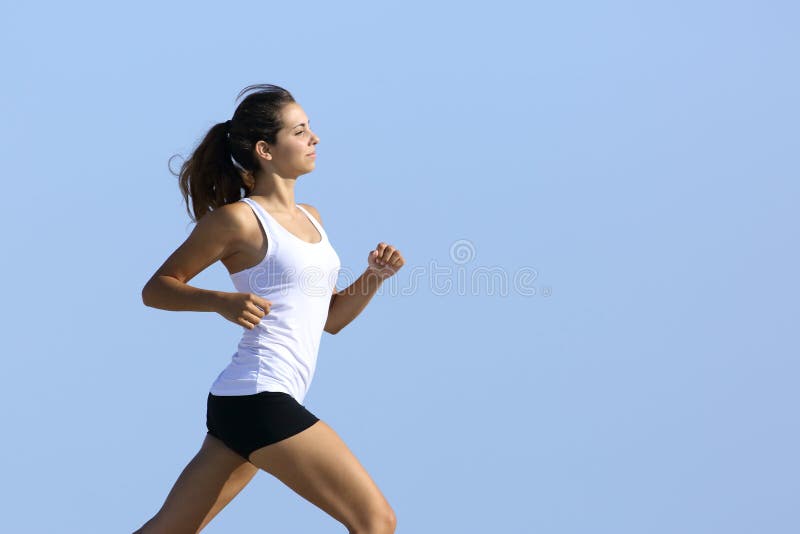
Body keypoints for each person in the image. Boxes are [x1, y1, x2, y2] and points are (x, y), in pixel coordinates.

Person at [134, 84, 403, 533]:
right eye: (300, 131)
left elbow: (330, 320)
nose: (314, 138)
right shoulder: (239, 219)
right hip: (259, 396)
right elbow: (157, 289)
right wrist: (220, 301)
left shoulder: (313, 217)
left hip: (247, 403)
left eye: (310, 128)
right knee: (376, 521)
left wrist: (374, 276)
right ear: (266, 150)